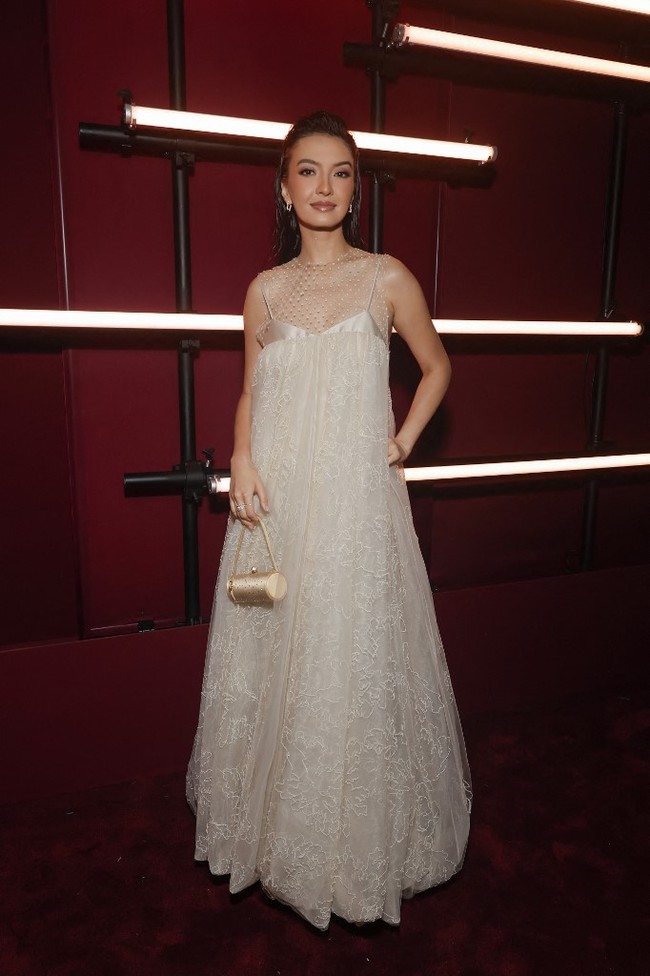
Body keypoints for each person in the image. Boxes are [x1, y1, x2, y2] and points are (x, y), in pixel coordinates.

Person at [186, 110, 471, 930]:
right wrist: (240, 455)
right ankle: (271, 834)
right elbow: (250, 389)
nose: (323, 187)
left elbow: (437, 364)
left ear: (356, 189)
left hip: (353, 504)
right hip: (274, 503)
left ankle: (355, 847)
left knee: (349, 657)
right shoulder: (263, 292)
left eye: (340, 172)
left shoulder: (387, 277)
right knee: (273, 652)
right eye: (307, 171)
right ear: (284, 188)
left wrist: (402, 442)